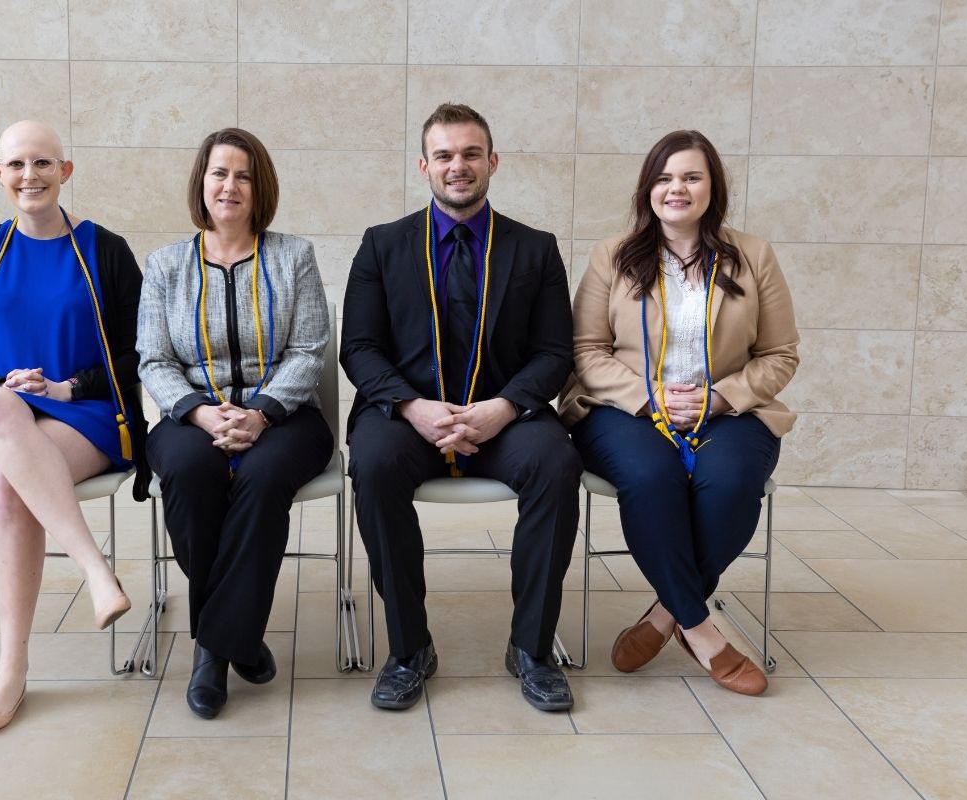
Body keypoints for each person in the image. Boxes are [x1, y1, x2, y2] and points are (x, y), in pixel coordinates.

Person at [341, 103, 582, 713]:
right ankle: (408, 648)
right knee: (372, 464)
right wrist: (412, 407)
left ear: (492, 162)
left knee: (557, 465)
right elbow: (359, 348)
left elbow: (554, 353)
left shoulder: (536, 249)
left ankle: (531, 647)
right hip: (407, 415)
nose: (458, 166)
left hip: (505, 417)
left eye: (471, 154)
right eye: (444, 155)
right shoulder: (381, 245)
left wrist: (503, 408)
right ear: (425, 165)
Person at [559, 129, 799, 696]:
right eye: (665, 178)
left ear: (712, 188)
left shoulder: (754, 255)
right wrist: (651, 395)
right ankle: (705, 633)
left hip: (728, 409)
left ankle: (666, 615)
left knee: (734, 481)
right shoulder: (612, 255)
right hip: (625, 407)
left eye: (691, 176)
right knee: (650, 477)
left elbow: (780, 354)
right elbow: (584, 350)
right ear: (648, 189)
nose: (677, 188)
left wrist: (719, 397)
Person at [0, 120, 148, 732]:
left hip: (80, 415)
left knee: (7, 482)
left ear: (66, 171)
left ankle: (11, 672)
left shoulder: (105, 250)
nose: (31, 176)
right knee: (1, 412)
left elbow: (138, 352)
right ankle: (94, 569)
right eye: (17, 165)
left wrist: (67, 387)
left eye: (44, 163)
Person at [139, 128, 332, 720]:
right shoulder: (166, 264)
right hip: (191, 415)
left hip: (285, 415)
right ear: (202, 182)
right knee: (190, 475)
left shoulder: (292, 255)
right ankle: (239, 637)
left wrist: (262, 413)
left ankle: (213, 651)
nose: (230, 186)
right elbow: (154, 358)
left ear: (260, 187)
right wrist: (199, 412)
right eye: (219, 173)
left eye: (243, 175)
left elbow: (309, 349)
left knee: (262, 478)